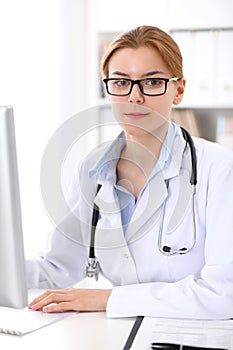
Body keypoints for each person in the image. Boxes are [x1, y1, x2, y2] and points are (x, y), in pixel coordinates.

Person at [27, 25, 233, 319]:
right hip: (117, 333)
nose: (134, 97)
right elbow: (57, 267)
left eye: (152, 82)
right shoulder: (92, 169)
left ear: (179, 89)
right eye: (121, 82)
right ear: (108, 88)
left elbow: (223, 294)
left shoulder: (220, 169)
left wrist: (110, 299)